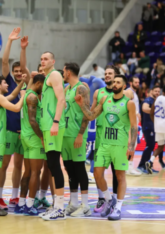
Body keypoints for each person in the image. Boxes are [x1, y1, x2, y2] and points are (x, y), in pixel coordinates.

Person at [75, 74, 138, 221]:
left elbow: (134, 126)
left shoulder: (129, 103)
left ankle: (118, 208)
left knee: (120, 176)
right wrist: (81, 105)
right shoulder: (105, 99)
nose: (114, 84)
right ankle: (110, 200)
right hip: (104, 144)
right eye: (114, 82)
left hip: (120, 145)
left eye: (118, 82)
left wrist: (132, 146)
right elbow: (91, 116)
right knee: (97, 175)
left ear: (124, 86)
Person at [0, 75, 26, 216]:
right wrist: (25, 95)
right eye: (4, 83)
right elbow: (16, 107)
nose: (7, 84)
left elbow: (13, 95)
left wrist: (22, 85)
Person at [0, 28, 27, 209]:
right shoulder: (8, 83)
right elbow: (4, 61)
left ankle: (15, 196)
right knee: (4, 165)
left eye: (19, 70)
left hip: (24, 132)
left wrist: (24, 50)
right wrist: (10, 41)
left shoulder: (29, 84)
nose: (17, 72)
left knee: (19, 166)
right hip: (8, 131)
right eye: (15, 70)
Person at [38, 51, 66, 221]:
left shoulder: (54, 74)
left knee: (55, 165)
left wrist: (55, 122)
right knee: (51, 165)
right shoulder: (48, 76)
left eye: (46, 59)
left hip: (53, 126)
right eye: (41, 59)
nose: (42, 61)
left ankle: (60, 208)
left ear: (53, 61)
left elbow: (61, 99)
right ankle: (56, 205)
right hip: (48, 127)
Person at [61, 63, 91, 217]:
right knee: (69, 169)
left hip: (77, 134)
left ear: (69, 72)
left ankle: (85, 205)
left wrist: (80, 134)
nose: (63, 72)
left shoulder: (82, 88)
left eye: (64, 70)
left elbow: (88, 113)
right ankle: (73, 203)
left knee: (79, 169)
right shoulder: (67, 88)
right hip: (65, 134)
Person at [14, 74, 46, 216]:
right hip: (33, 138)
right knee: (35, 172)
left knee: (27, 172)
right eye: (44, 86)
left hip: (26, 137)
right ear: (38, 83)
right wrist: (42, 137)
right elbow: (33, 121)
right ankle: (30, 204)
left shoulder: (27, 94)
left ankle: (21, 204)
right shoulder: (32, 97)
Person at [146, 84, 165, 175]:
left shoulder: (157, 99)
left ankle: (150, 161)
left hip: (158, 127)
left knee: (160, 146)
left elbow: (151, 113)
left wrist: (155, 122)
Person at [138, 86, 165, 173]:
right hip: (148, 126)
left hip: (154, 127)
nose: (157, 93)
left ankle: (148, 166)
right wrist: (157, 111)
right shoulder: (148, 100)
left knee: (154, 145)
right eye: (155, 91)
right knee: (150, 145)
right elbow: (144, 108)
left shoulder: (156, 101)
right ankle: (141, 165)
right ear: (151, 92)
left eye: (158, 91)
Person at [126, 77, 142, 175]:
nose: (137, 83)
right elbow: (126, 104)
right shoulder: (129, 91)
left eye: (138, 82)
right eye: (135, 82)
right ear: (130, 82)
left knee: (133, 145)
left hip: (134, 122)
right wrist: (136, 112)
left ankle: (129, 167)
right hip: (130, 123)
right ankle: (129, 167)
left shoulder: (134, 93)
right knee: (131, 144)